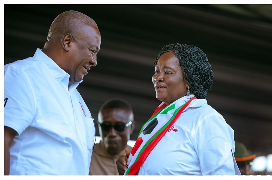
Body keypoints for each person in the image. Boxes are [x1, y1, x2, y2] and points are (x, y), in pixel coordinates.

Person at [116, 43, 241, 175]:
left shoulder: (206, 119)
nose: (157, 77)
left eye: (168, 72)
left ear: (188, 80)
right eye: (157, 71)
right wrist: (131, 161)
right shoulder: (162, 117)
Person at [4, 10, 101, 175]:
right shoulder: (23, 76)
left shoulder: (77, 99)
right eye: (92, 51)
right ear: (67, 41)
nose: (94, 61)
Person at [89, 98, 135, 175]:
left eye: (119, 126)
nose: (112, 133)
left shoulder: (140, 159)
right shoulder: (86, 156)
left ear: (131, 127)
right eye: (106, 126)